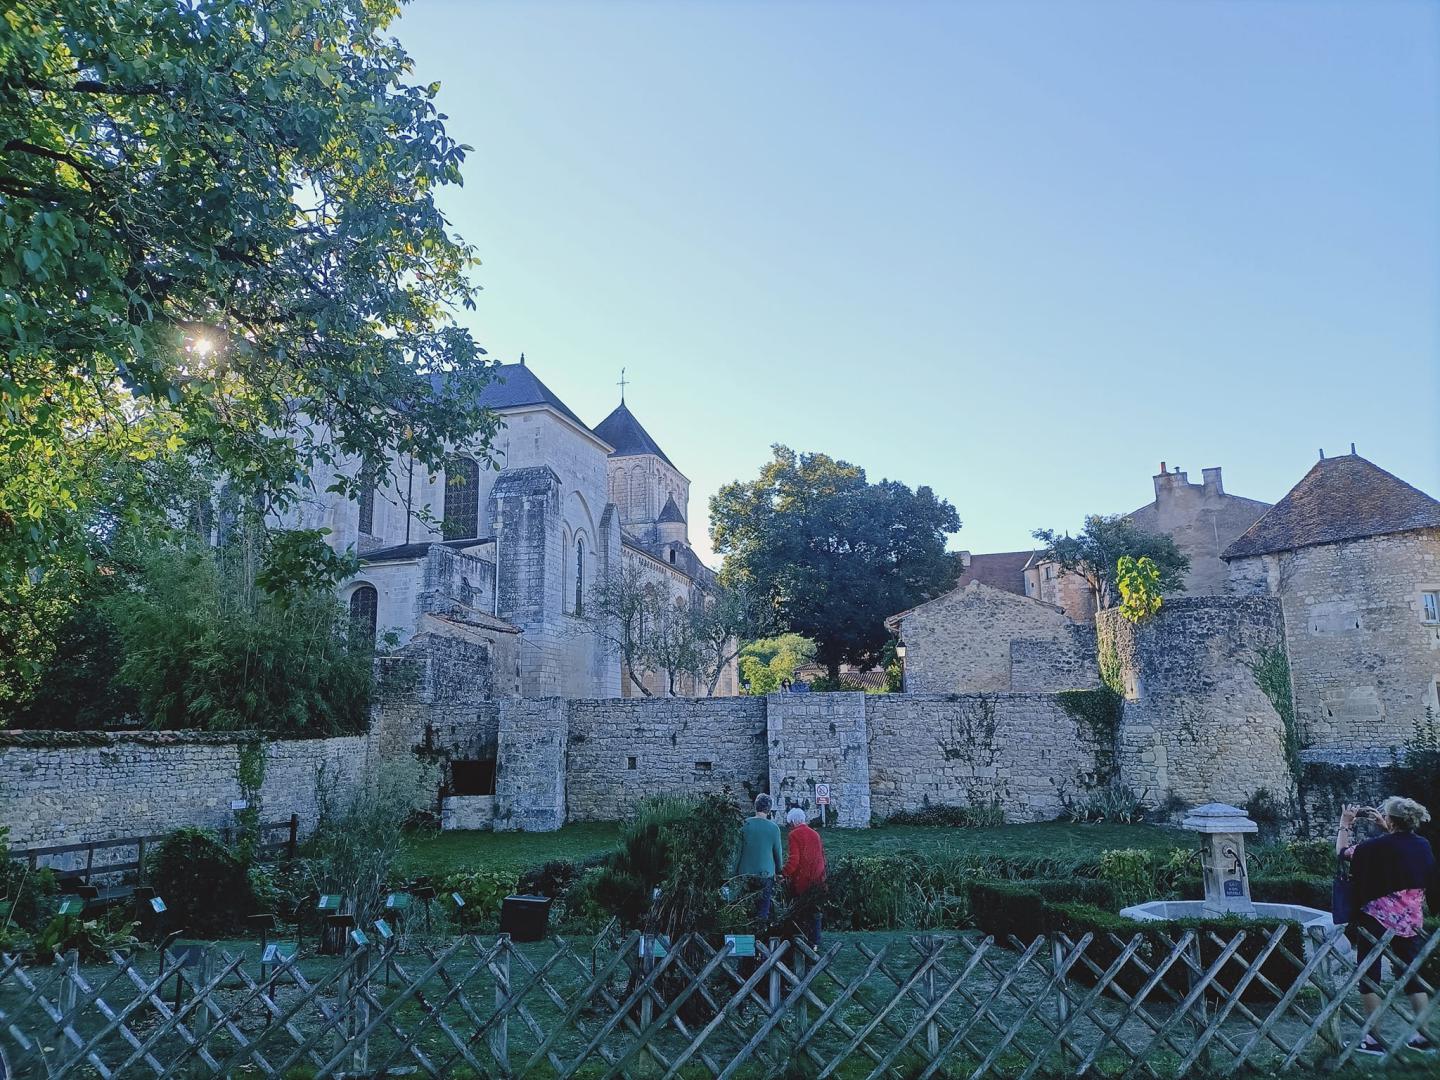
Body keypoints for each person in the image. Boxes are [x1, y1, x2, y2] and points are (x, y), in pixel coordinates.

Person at [1337, 797, 1437, 1055]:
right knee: (1413, 975)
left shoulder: (1374, 847)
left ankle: (1374, 1039)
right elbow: (1400, 850)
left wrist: (1345, 824)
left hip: (1377, 919)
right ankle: (1422, 1036)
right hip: (1411, 920)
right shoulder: (1422, 845)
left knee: (1369, 975)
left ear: (1391, 820)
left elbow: (1342, 853)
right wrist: (1388, 828)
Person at [732, 793, 783, 928]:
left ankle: (745, 934)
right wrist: (779, 871)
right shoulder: (774, 828)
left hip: (745, 872)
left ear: (755, 806)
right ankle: (760, 934)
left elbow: (736, 851)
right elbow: (777, 853)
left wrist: (733, 872)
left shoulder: (744, 825)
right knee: (763, 909)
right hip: (765, 873)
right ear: (769, 809)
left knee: (745, 907)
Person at [782, 807, 827, 948]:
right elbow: (821, 857)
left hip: (802, 880)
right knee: (815, 911)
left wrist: (783, 873)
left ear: (793, 822)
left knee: (798, 911)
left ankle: (798, 942)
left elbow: (794, 861)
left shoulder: (794, 835)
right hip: (818, 878)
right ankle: (815, 942)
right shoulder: (815, 834)